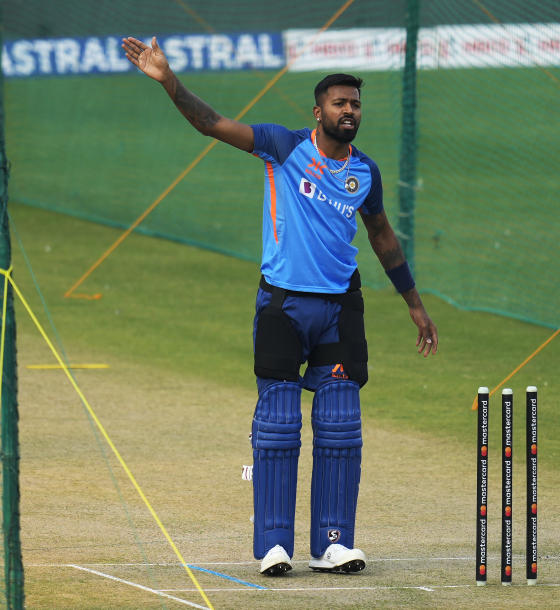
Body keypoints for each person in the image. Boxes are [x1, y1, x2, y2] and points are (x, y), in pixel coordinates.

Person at [122, 36, 438, 576]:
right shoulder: (282, 146)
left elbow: (382, 234)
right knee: (278, 422)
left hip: (341, 308)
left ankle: (334, 543)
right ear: (319, 112)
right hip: (283, 305)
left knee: (339, 423)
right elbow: (211, 123)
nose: (349, 111)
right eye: (339, 103)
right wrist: (169, 81)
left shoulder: (366, 173)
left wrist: (414, 302)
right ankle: (274, 545)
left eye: (355, 104)